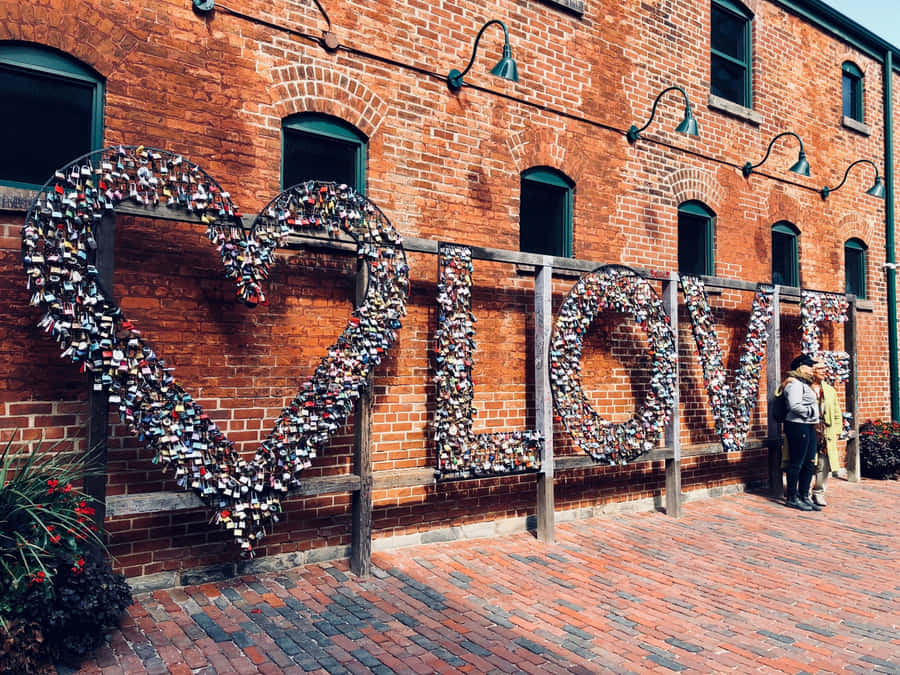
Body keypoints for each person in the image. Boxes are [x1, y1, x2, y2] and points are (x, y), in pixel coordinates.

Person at [776, 354, 821, 511]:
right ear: (801, 367)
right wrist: (810, 412)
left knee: (809, 462)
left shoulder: (804, 383)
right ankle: (792, 497)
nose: (811, 369)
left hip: (808, 425)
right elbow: (794, 405)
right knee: (797, 462)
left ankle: (804, 495)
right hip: (797, 425)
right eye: (809, 366)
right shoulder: (794, 384)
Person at [810, 360, 842, 506]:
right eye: (820, 369)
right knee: (808, 461)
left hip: (825, 431)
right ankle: (804, 491)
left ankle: (819, 492)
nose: (824, 371)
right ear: (812, 371)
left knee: (824, 463)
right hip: (810, 428)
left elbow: (836, 412)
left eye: (824, 369)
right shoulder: (806, 387)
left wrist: (835, 431)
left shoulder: (829, 390)